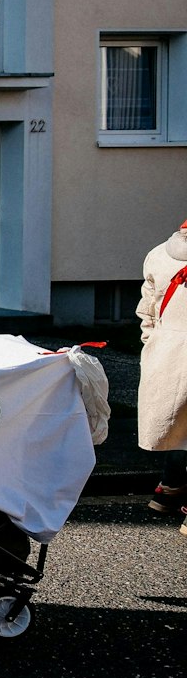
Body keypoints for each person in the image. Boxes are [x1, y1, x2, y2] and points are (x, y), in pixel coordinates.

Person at [137, 217, 187, 532]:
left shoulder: (158, 254)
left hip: (168, 349)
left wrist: (152, 342)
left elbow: (147, 310)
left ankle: (169, 490)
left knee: (177, 423)